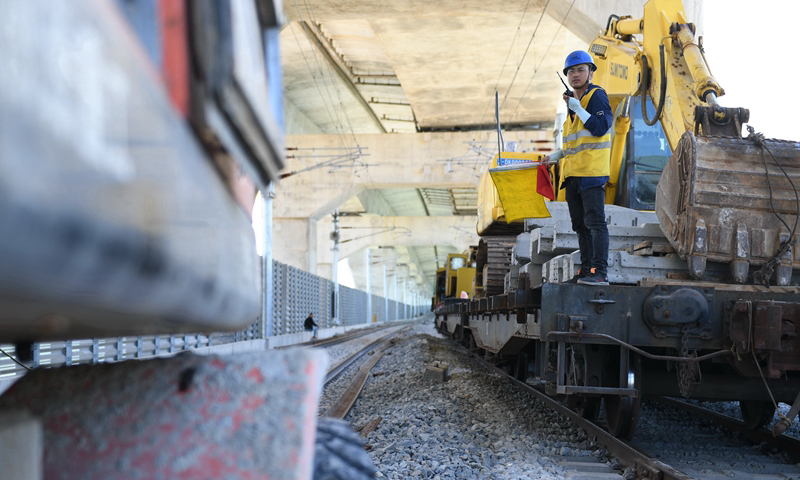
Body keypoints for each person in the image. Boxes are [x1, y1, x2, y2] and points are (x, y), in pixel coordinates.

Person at [542, 50, 612, 285]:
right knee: (581, 227)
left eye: (581, 69)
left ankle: (598, 273)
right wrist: (553, 156)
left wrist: (578, 108)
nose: (575, 75)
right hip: (573, 176)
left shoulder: (596, 96)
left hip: (591, 174)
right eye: (571, 71)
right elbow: (574, 147)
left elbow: (601, 127)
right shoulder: (573, 109)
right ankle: (586, 271)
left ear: (591, 72)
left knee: (595, 224)